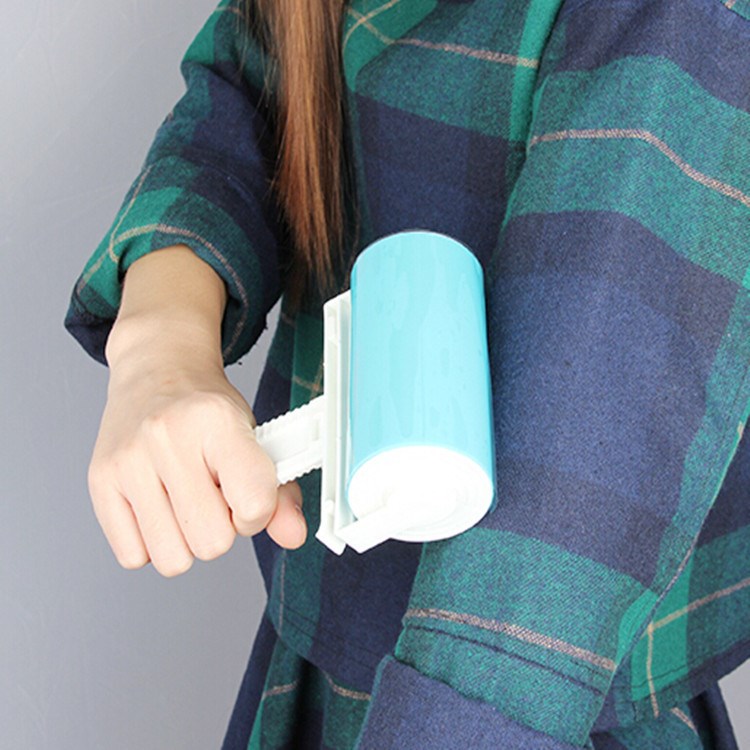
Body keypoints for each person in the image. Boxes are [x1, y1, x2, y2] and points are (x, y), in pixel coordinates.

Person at [64, 0, 750, 747]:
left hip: (529, 700)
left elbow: (588, 436)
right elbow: (261, 72)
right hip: (333, 632)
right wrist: (161, 339)